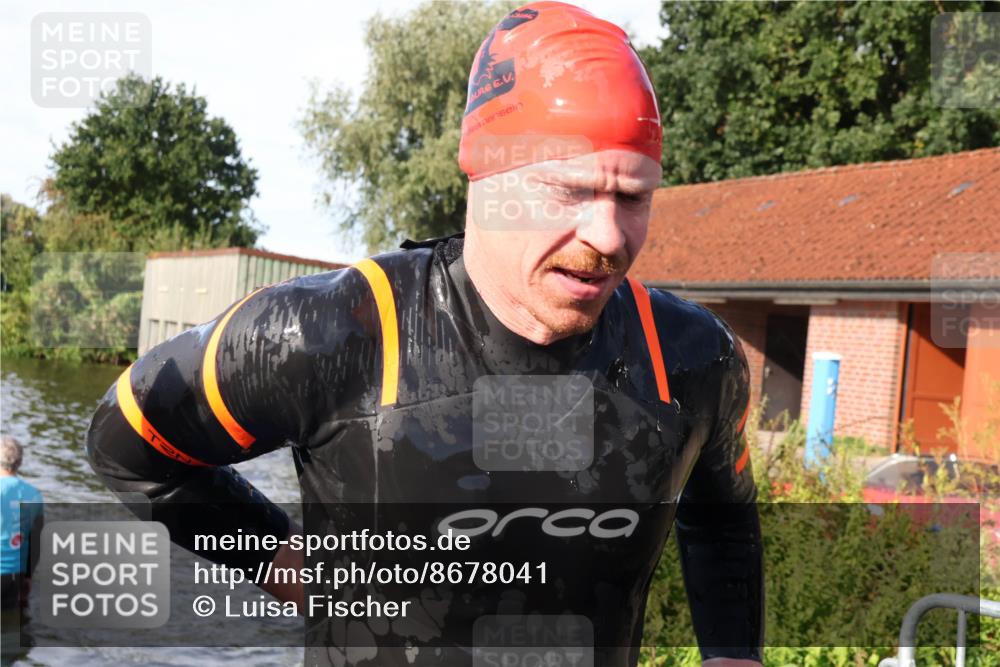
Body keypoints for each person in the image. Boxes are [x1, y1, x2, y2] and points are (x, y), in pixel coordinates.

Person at [86, 2, 763, 665]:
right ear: (486, 175)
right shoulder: (332, 334)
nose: (609, 237)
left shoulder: (691, 358)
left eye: (633, 197)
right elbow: (129, 443)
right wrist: (287, 563)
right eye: (570, 191)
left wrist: (734, 652)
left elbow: (724, 519)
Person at [1, 435, 44, 611]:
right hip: (16, 574)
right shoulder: (34, 494)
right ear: (19, 462)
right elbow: (35, 541)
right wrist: (28, 576)